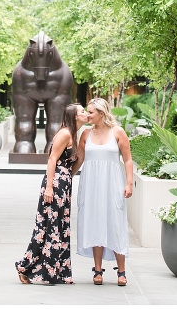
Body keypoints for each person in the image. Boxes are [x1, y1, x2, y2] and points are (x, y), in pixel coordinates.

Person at [16, 104, 89, 284]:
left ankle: (59, 272)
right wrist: (49, 187)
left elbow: (75, 162)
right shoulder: (65, 133)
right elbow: (52, 159)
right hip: (54, 184)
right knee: (47, 227)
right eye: (82, 112)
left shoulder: (74, 134)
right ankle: (25, 267)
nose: (86, 113)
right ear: (74, 116)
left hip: (64, 184)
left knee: (60, 227)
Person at [73, 97, 133, 286]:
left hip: (112, 184)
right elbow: (80, 160)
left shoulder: (118, 132)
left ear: (101, 113)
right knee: (95, 223)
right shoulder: (85, 134)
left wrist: (129, 183)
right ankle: (97, 270)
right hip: (90, 185)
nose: (87, 115)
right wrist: (65, 178)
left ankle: (121, 272)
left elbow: (128, 160)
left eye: (90, 112)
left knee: (115, 223)